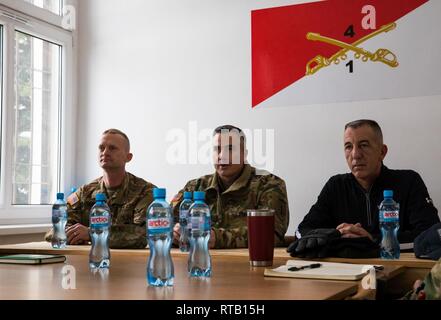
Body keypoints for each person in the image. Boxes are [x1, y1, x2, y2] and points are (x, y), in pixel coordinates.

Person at [289, 119, 439, 257]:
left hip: (397, 270)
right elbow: (302, 232)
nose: (355, 154)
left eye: (364, 145)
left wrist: (371, 240)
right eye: (348, 147)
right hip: (344, 273)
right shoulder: (335, 186)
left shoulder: (408, 181)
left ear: (382, 152)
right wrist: (336, 234)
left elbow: (431, 237)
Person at [171, 125, 289, 249]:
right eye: (217, 149)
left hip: (247, 264)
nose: (222, 156)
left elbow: (271, 233)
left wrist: (217, 238)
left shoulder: (269, 185)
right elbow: (163, 221)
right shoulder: (195, 186)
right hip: (199, 263)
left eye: (230, 149)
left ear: (244, 154)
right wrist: (176, 233)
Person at [45, 129, 156, 249]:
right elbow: (53, 231)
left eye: (112, 148)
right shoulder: (85, 192)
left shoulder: (146, 191)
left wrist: (91, 234)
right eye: (101, 148)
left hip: (133, 263)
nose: (105, 152)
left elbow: (143, 235)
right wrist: (73, 235)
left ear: (128, 157)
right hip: (90, 261)